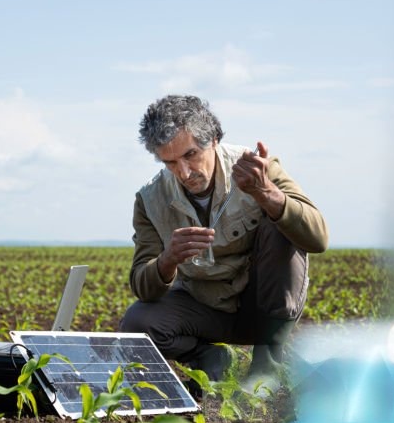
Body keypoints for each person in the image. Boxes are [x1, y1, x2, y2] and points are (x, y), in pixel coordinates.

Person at [119, 95, 329, 383]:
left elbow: (318, 238)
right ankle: (210, 357)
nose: (184, 172)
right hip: (204, 309)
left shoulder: (257, 168)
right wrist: (167, 260)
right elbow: (142, 286)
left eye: (191, 154)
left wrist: (266, 193)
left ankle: (266, 366)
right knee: (136, 324)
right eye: (171, 162)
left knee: (279, 225)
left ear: (214, 139)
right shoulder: (150, 200)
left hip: (262, 309)